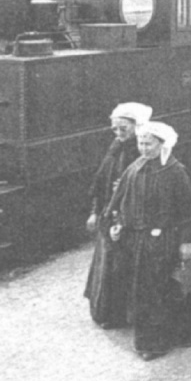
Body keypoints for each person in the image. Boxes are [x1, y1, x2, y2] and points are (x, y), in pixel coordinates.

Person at [105, 121, 191, 360]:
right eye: (141, 143)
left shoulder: (175, 171)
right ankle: (150, 341)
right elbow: (121, 202)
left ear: (162, 144)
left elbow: (188, 211)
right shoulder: (134, 168)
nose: (143, 148)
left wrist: (186, 241)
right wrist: (117, 225)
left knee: (173, 286)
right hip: (140, 242)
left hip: (167, 241)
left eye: (148, 144)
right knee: (147, 292)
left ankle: (177, 335)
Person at [83, 102, 152, 329]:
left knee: (125, 266)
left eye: (124, 128)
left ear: (137, 126)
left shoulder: (143, 151)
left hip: (131, 217)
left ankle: (124, 315)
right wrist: (95, 212)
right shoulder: (115, 147)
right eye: (115, 129)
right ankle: (107, 312)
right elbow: (100, 181)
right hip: (109, 214)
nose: (119, 133)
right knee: (109, 264)